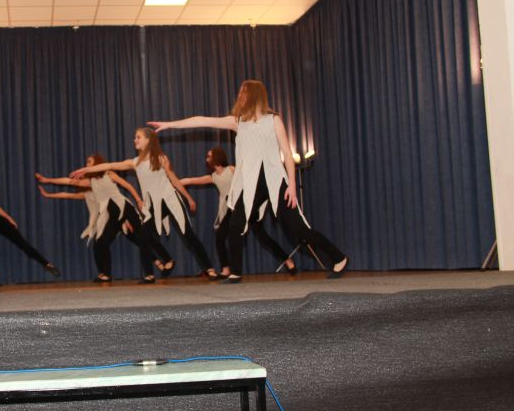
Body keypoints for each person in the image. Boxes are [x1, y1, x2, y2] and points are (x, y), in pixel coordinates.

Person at [148, 79, 348, 283]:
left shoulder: (273, 120)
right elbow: (202, 120)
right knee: (235, 224)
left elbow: (287, 155)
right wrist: (169, 125)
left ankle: (339, 258)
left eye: (244, 92)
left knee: (298, 229)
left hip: (275, 182)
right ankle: (235, 272)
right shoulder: (238, 122)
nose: (240, 96)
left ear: (254, 95)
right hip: (251, 184)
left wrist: (292, 186)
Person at [70, 128, 216, 284]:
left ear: (148, 140)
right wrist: (87, 169)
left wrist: (188, 198)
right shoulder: (134, 163)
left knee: (188, 235)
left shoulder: (161, 159)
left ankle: (209, 268)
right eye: (135, 137)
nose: (135, 140)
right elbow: (110, 165)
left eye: (138, 137)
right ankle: (149, 275)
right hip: (154, 205)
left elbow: (173, 179)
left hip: (170, 199)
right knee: (144, 237)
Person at [36, 154, 174, 282]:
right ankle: (105, 274)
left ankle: (166, 261)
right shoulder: (90, 182)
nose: (87, 164)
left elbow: (127, 185)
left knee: (144, 237)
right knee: (101, 242)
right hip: (112, 214)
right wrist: (48, 180)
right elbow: (69, 181)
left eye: (89, 162)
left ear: (97, 163)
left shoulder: (109, 174)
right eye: (87, 163)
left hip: (125, 208)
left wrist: (138, 200)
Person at [180, 147, 297, 278]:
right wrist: (173, 183)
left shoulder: (231, 169)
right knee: (220, 236)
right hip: (232, 210)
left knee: (263, 237)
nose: (207, 159)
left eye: (209, 156)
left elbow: (249, 179)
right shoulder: (213, 177)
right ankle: (226, 269)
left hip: (246, 206)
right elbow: (190, 180)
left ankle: (287, 260)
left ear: (217, 157)